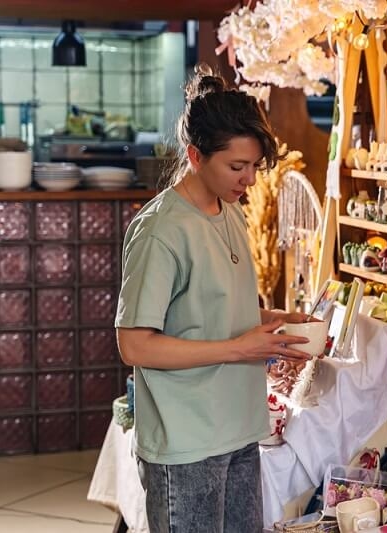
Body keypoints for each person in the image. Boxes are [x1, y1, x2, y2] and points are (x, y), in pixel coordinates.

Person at [115, 67, 313, 533]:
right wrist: (240, 348)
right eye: (236, 167)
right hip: (187, 443)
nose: (248, 180)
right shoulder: (161, 231)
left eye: (253, 167)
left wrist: (275, 322)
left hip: (240, 429)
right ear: (195, 155)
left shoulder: (229, 213)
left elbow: (210, 307)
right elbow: (135, 345)